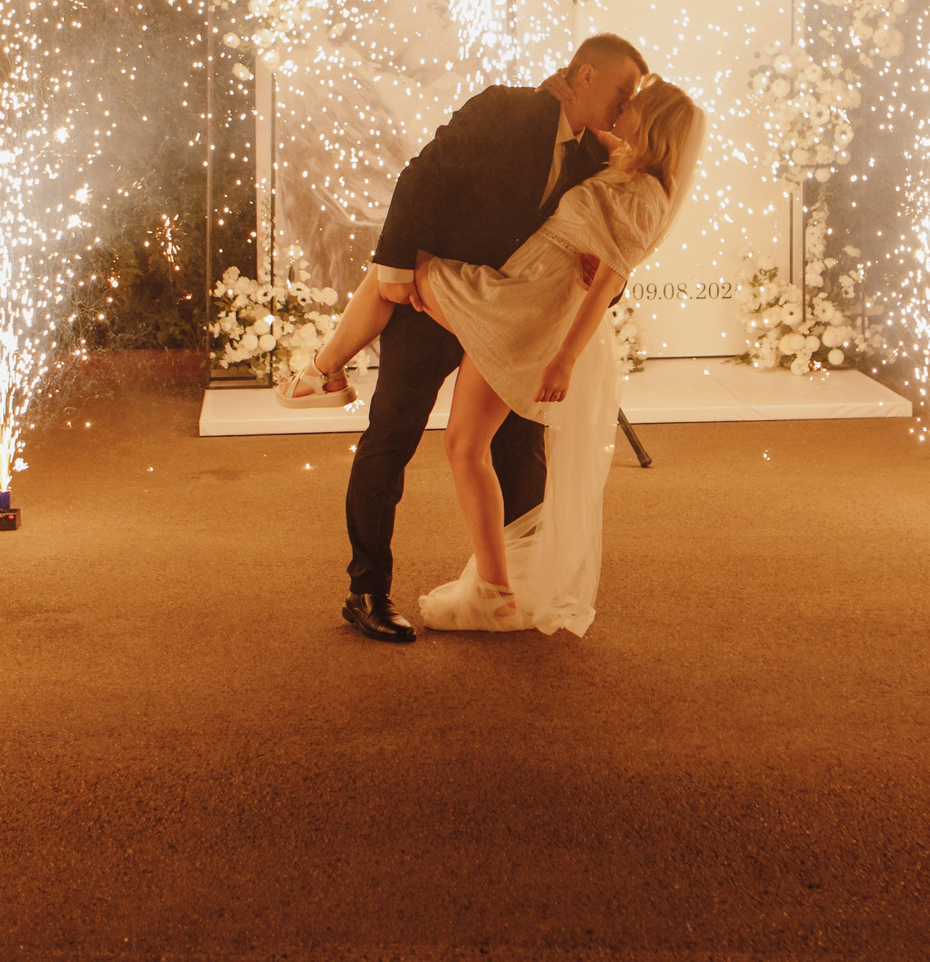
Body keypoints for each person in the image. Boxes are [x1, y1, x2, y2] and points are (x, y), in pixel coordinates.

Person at [295, 34, 647, 644]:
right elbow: (418, 178)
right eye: (623, 89)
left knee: (520, 452)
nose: (626, 103)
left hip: (513, 329)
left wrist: (604, 286)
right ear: (586, 75)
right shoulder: (503, 108)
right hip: (437, 303)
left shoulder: (597, 161)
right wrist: (396, 270)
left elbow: (607, 257)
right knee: (391, 438)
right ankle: (368, 590)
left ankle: (512, 587)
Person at [410, 77, 703, 636]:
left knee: (406, 275)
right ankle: (494, 586)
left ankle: (322, 371)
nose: (624, 106)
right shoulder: (625, 166)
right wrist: (556, 93)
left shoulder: (646, 196)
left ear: (655, 123)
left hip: (529, 309)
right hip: (521, 292)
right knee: (464, 444)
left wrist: (564, 360)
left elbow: (606, 285)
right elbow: (579, 120)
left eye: (634, 104)